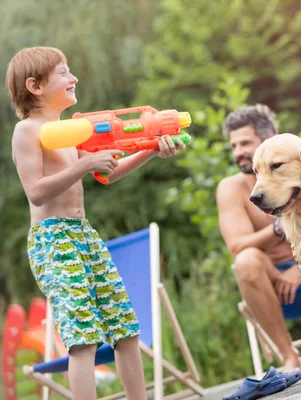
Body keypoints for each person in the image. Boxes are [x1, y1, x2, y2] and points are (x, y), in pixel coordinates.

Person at [8, 46, 186, 400]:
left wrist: (150, 149)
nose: (74, 78)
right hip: (53, 239)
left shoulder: (71, 131)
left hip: (84, 234)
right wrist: (84, 165)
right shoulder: (27, 132)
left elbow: (111, 172)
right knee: (83, 337)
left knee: (126, 330)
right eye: (64, 72)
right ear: (35, 85)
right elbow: (36, 193)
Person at [216, 104, 301, 371]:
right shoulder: (231, 188)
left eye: (245, 143)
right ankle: (288, 356)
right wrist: (279, 228)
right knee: (246, 261)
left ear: (269, 139)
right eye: (234, 146)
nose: (239, 153)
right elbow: (237, 246)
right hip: (275, 289)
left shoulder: (300, 171)